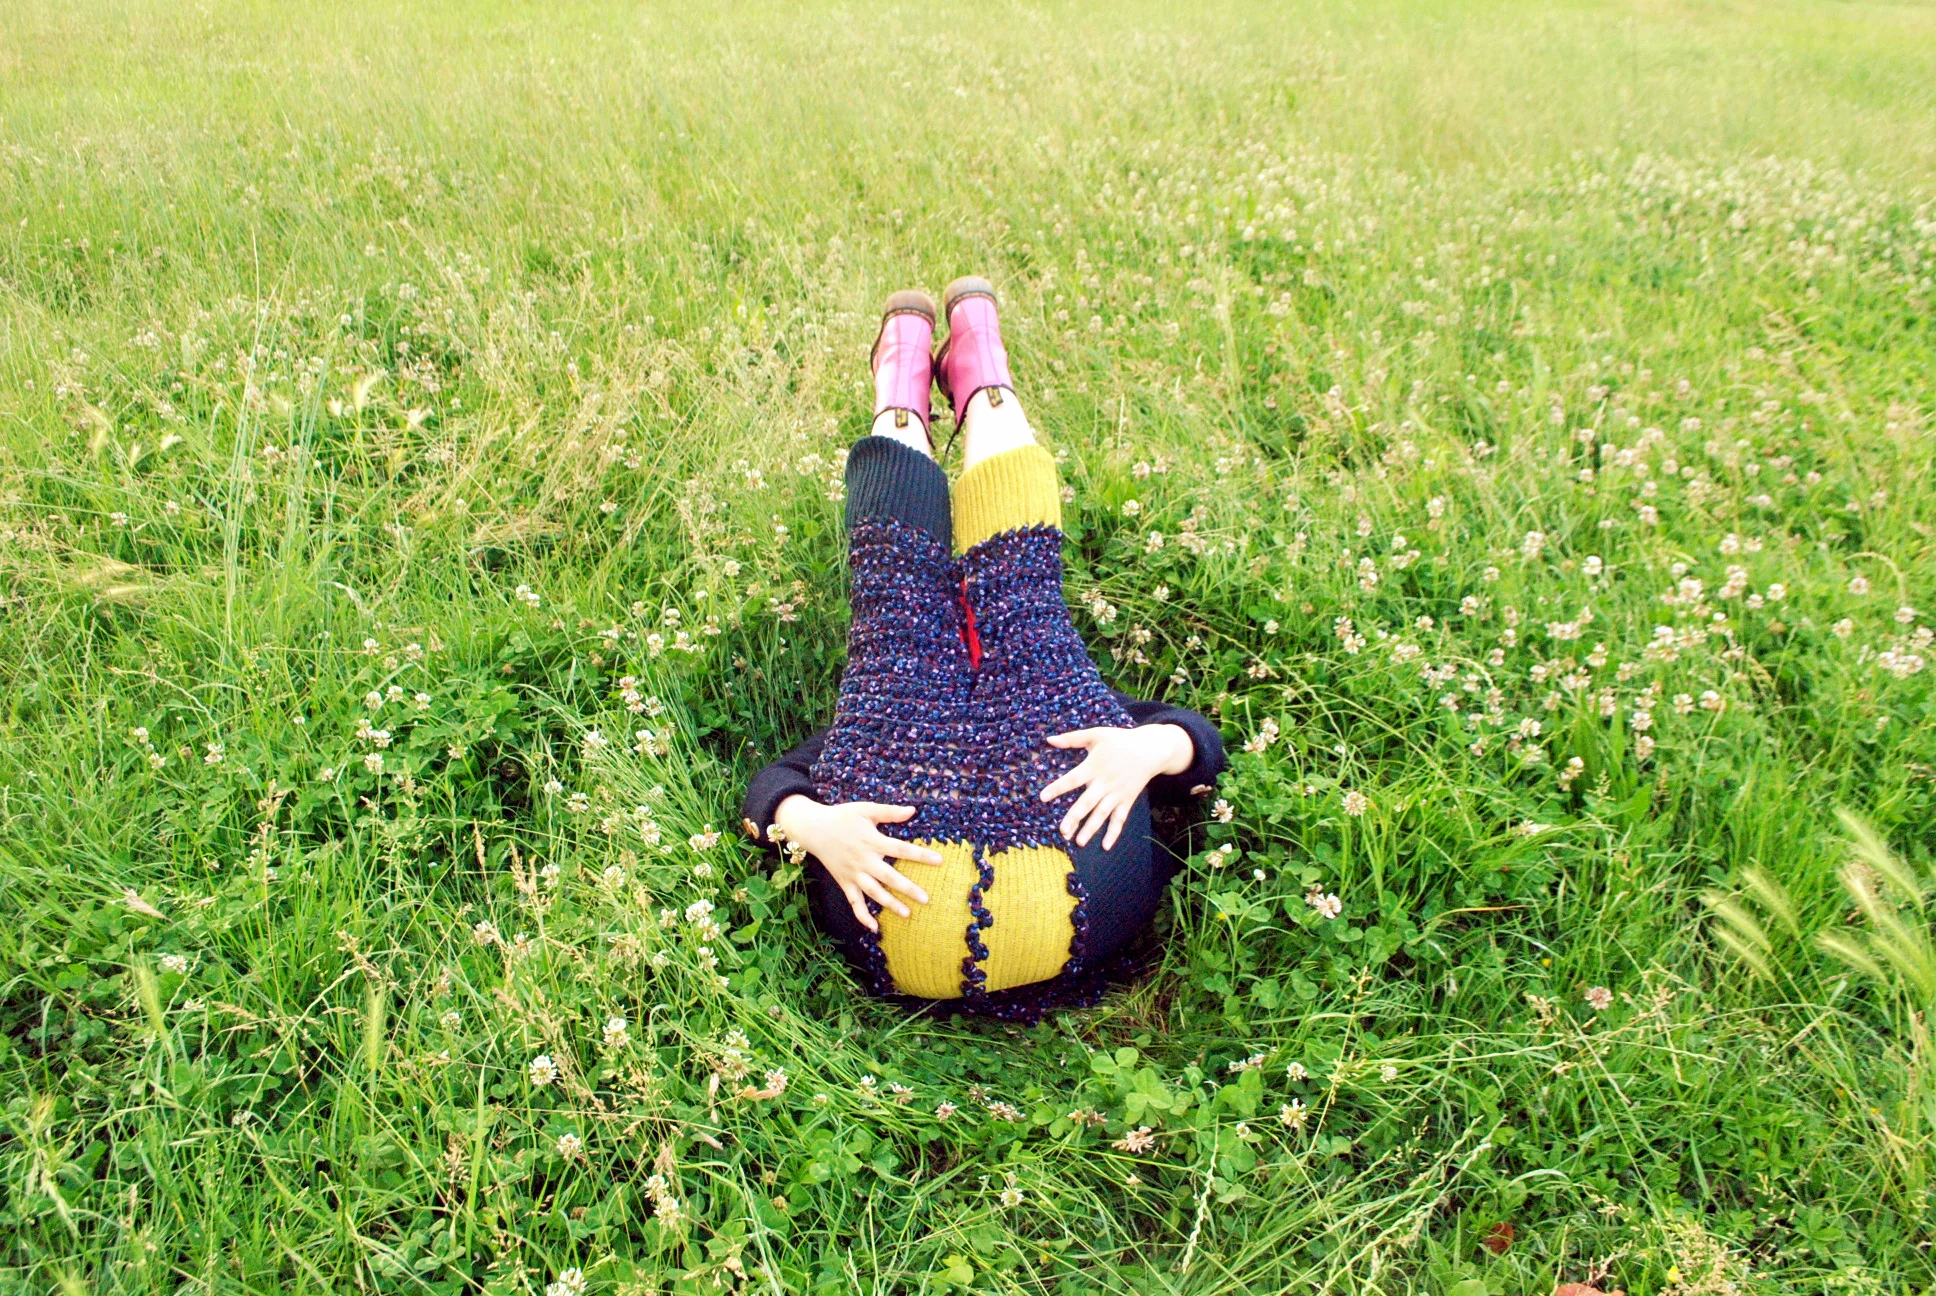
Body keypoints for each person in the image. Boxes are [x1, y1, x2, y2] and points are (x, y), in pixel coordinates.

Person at [741, 278, 1225, 1015]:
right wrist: (819, 828)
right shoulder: (882, 700)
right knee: (926, 614)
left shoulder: (1060, 685)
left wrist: (1145, 749)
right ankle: (968, 381)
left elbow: (1199, 745)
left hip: (1040, 869)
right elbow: (774, 785)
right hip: (966, 883)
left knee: (992, 613)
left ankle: (913, 388)